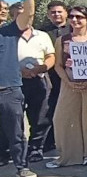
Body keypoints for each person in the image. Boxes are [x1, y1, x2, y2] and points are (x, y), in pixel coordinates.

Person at [48, 6, 87, 168]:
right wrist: (68, 82)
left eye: (79, 17)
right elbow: (58, 65)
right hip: (69, 84)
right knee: (62, 119)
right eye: (71, 16)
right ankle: (68, 155)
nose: (75, 20)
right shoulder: (62, 40)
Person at [0, 0, 38, 177]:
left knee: (16, 132)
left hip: (9, 91)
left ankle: (22, 167)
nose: (3, 11)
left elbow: (28, 15)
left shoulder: (9, 31)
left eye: (5, 9)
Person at [17, 8, 56, 163]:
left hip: (39, 79)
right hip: (15, 81)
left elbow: (50, 56)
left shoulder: (43, 35)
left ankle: (35, 148)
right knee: (13, 117)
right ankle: (14, 150)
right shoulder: (7, 36)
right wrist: (19, 71)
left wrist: (41, 68)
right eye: (19, 14)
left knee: (40, 116)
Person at [39, 0, 70, 155]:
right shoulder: (42, 32)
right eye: (53, 12)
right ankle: (48, 142)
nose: (56, 14)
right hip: (50, 77)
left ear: (66, 13)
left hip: (71, 77)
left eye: (59, 11)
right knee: (49, 110)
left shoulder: (73, 30)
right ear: (48, 14)